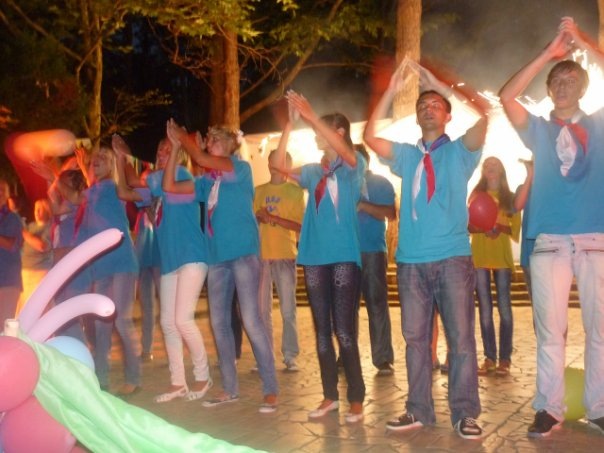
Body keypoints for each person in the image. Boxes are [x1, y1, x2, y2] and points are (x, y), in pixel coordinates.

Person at [363, 58, 488, 439]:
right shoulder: (407, 155)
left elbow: (485, 118)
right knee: (416, 341)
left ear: (448, 116)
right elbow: (370, 136)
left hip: (452, 258)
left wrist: (442, 85)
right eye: (422, 105)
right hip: (411, 261)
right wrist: (390, 91)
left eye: (435, 105)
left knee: (461, 339)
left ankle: (464, 413)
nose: (427, 108)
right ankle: (418, 409)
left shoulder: (460, 152)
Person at [499, 17, 604, 437]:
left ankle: (599, 407)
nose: (562, 85)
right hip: (549, 241)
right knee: (550, 331)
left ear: (583, 87)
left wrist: (583, 42)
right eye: (555, 80)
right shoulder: (538, 130)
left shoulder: (598, 124)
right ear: (548, 89)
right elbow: (507, 96)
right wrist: (549, 54)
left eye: (570, 79)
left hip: (595, 237)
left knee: (600, 330)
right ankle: (549, 408)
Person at [163, 119, 278, 414]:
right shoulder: (206, 182)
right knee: (219, 324)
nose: (210, 142)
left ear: (230, 145)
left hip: (243, 253)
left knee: (251, 319)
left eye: (216, 139)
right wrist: (176, 148)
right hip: (216, 257)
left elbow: (201, 158)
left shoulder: (240, 168)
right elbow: (169, 186)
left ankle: (270, 388)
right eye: (209, 138)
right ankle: (229, 388)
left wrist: (184, 138)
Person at [276, 91, 366, 423]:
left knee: (344, 331)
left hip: (344, 257)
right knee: (322, 332)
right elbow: (278, 166)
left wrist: (313, 116)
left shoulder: (354, 165)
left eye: (320, 130)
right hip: (313, 257)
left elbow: (348, 155)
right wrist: (289, 125)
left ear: (338, 132)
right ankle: (330, 396)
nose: (315, 134)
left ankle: (356, 397)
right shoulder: (314, 171)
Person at [113, 133, 212, 403]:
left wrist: (125, 156)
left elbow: (135, 181)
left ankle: (203, 375)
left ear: (179, 154)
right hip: (170, 261)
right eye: (160, 148)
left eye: (168, 148)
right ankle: (177, 382)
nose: (161, 152)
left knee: (182, 320)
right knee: (168, 322)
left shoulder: (180, 176)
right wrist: (120, 159)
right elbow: (125, 191)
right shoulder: (157, 184)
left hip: (192, 256)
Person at [75, 145, 141, 396]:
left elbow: (79, 195)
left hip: (122, 263)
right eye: (95, 158)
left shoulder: (113, 188)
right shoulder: (93, 192)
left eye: (104, 158)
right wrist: (86, 168)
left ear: (112, 165)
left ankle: (134, 378)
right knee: (101, 324)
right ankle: (101, 379)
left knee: (122, 320)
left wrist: (53, 177)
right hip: (101, 268)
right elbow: (89, 191)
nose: (97, 160)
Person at [254, 125, 305, 373]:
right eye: (273, 160)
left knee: (287, 309)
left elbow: (300, 225)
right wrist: (259, 217)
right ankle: (265, 357)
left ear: (287, 165)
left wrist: (272, 218)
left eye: (281, 161)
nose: (276, 164)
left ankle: (290, 355)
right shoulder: (258, 191)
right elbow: (250, 221)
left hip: (285, 255)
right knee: (262, 311)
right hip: (261, 257)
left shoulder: (295, 191)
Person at [469, 157, 521, 377]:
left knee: (505, 309)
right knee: (485, 310)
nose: (491, 168)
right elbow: (468, 225)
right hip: (480, 258)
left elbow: (515, 229)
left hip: (501, 259)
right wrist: (483, 228)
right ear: (483, 171)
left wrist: (498, 227)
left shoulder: (510, 198)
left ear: (501, 171)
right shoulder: (476, 195)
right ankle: (489, 357)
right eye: (487, 165)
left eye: (495, 165)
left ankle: (505, 359)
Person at [354, 144, 396, 376]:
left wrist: (363, 205)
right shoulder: (341, 182)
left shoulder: (380, 183)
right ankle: (346, 357)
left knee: (377, 305)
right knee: (345, 309)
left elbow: (390, 213)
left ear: (364, 161)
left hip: (372, 251)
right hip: (345, 253)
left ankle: (383, 358)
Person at [15, 198, 53, 315]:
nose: (37, 212)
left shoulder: (49, 227)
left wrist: (24, 233)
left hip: (40, 272)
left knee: (36, 307)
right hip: (25, 271)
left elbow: (42, 246)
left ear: (47, 211)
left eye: (40, 209)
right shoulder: (30, 226)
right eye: (36, 209)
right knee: (22, 307)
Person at [0, 178, 23, 325]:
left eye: (2, 190)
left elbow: (12, 245)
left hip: (7, 282)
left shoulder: (12, 218)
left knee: (3, 327)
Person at [513, 159, 534, 301]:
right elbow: (517, 206)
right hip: (528, 253)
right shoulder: (523, 188)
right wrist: (529, 176)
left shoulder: (552, 187)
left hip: (552, 252)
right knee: (536, 304)